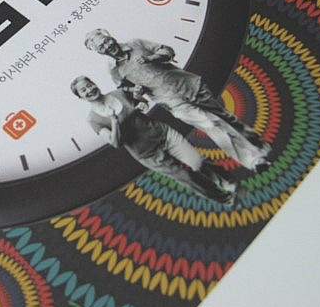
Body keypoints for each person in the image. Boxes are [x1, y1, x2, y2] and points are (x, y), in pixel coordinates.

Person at [84, 29, 270, 172]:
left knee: (224, 117)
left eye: (106, 41)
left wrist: (152, 58)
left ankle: (254, 141)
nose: (107, 46)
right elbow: (126, 90)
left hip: (189, 85)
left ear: (111, 36)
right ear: (100, 52)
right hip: (171, 102)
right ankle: (253, 160)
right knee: (212, 124)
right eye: (101, 47)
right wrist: (136, 91)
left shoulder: (136, 43)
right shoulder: (115, 72)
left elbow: (167, 50)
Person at [70, 76, 237, 204]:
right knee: (187, 177)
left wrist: (141, 102)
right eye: (84, 90)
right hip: (147, 153)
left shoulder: (118, 94)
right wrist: (114, 121)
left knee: (197, 162)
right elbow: (115, 143)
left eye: (89, 85)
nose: (89, 90)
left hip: (163, 134)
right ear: (81, 97)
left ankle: (224, 181)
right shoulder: (93, 120)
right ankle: (223, 198)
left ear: (95, 83)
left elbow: (141, 102)